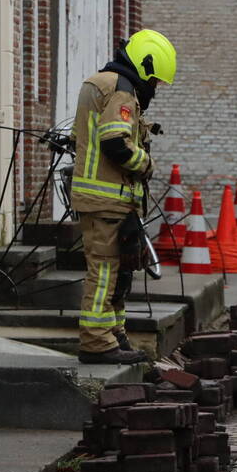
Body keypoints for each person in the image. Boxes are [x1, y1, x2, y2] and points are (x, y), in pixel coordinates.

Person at [71, 29, 176, 364]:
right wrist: (146, 163)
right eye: (156, 81)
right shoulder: (121, 90)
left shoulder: (102, 83)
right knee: (104, 274)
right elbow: (115, 143)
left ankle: (115, 335)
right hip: (107, 201)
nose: (155, 89)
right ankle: (97, 343)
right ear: (146, 66)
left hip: (105, 200)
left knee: (118, 273)